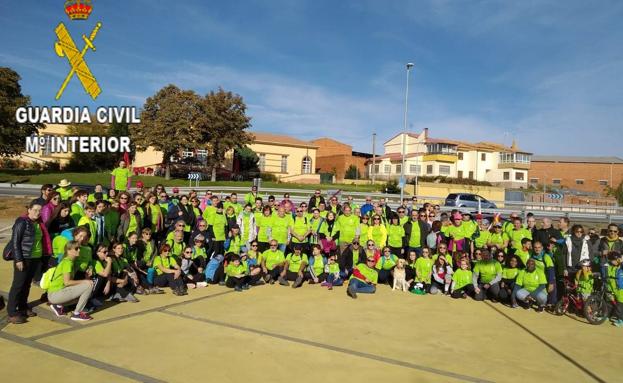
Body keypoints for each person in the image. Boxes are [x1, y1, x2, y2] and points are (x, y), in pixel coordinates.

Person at [6, 201, 52, 324]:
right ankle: (12, 311)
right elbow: (16, 242)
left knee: (27, 284)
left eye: (39, 211)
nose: (37, 213)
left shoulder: (39, 223)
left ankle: (22, 307)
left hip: (35, 258)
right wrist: (19, 259)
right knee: (18, 285)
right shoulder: (21, 222)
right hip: (24, 257)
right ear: (29, 210)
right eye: (35, 210)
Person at [46, 241, 94, 321]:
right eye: (76, 248)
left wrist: (88, 272)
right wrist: (85, 281)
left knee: (84, 294)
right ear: (68, 250)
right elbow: (67, 282)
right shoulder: (67, 263)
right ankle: (77, 314)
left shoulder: (70, 261)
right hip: (55, 294)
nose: (79, 250)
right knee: (89, 285)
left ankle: (58, 306)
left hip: (55, 294)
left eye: (79, 248)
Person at [604, 252, 623, 327]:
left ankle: (621, 320)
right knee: (609, 303)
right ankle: (607, 316)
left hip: (620, 289)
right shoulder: (607, 266)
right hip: (610, 288)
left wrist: (621, 262)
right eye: (614, 260)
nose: (616, 261)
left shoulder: (621, 266)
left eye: (617, 260)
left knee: (620, 305)